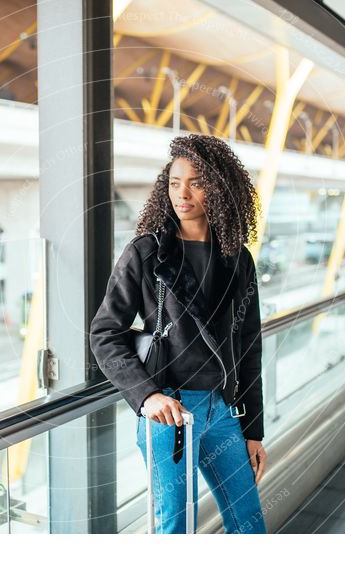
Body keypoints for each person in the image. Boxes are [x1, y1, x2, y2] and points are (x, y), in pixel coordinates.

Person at [89, 134, 268, 534]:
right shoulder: (148, 253)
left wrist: (253, 430)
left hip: (221, 412)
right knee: (176, 530)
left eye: (195, 182)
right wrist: (145, 395)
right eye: (173, 183)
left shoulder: (237, 259)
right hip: (169, 413)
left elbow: (249, 347)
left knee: (250, 525)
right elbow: (105, 332)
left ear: (219, 189)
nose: (181, 194)